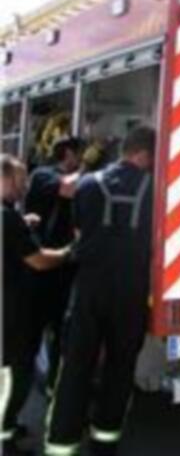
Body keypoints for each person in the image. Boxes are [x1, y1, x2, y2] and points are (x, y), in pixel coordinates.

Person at [45, 127, 156, 456]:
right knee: (120, 368)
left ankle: (61, 444)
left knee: (75, 368)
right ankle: (105, 443)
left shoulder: (87, 184)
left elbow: (79, 232)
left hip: (89, 288)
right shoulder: (158, 189)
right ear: (145, 154)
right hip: (132, 290)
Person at [2, 155, 70, 455]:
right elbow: (39, 261)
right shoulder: (7, 218)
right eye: (20, 179)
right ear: (4, 178)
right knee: (15, 376)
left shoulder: (9, 216)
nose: (25, 186)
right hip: (11, 313)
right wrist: (70, 251)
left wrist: (23, 224)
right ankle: (5, 437)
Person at [24, 136, 84, 393]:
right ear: (68, 153)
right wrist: (92, 168)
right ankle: (21, 378)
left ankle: (53, 384)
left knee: (61, 328)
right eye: (80, 154)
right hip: (43, 266)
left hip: (67, 265)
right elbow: (67, 188)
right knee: (35, 327)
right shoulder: (42, 175)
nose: (81, 159)